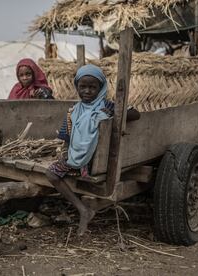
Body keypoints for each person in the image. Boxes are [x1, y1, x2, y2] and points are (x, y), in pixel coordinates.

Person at [45, 64, 140, 236]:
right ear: (77, 87)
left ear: (100, 88)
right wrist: (65, 154)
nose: (87, 91)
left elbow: (136, 114)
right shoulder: (74, 111)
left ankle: (84, 210)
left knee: (53, 173)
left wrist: (114, 115)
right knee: (51, 173)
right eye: (83, 87)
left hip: (97, 162)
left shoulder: (107, 106)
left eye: (92, 87)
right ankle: (83, 209)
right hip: (77, 159)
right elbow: (66, 137)